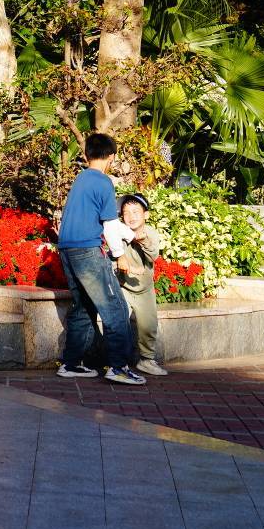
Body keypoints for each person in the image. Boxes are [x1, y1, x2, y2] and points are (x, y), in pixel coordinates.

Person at [54, 132, 146, 385]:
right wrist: (120, 255)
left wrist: (129, 235)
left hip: (67, 250)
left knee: (84, 307)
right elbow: (108, 224)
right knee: (116, 309)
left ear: (86, 155)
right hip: (87, 251)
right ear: (112, 157)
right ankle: (119, 367)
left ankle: (71, 363)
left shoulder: (81, 179)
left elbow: (106, 222)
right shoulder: (103, 182)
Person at [116, 194, 169, 377]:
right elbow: (111, 255)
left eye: (136, 211)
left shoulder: (151, 233)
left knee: (148, 324)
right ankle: (118, 362)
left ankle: (147, 360)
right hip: (122, 286)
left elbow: (153, 254)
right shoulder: (119, 232)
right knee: (118, 323)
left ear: (146, 215)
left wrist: (143, 239)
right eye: (126, 212)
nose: (131, 216)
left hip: (144, 288)